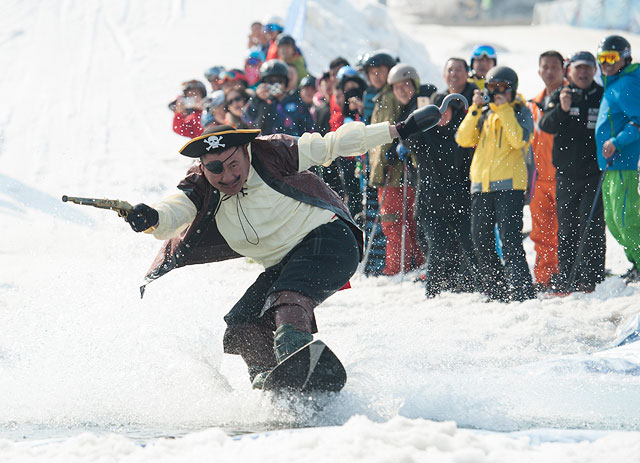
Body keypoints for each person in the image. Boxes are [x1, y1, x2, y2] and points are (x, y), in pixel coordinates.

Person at [123, 110, 440, 388]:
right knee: (243, 322)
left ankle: (297, 358)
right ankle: (270, 382)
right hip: (285, 263)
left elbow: (334, 143)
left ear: (245, 152)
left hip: (329, 241)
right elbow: (172, 213)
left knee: (286, 300)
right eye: (216, 169)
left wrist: (399, 129)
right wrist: (150, 217)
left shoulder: (272, 152)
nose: (228, 176)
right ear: (204, 167)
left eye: (234, 164)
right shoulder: (200, 186)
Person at [456, 66, 536, 302]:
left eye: (502, 87)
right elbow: (463, 138)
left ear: (512, 88)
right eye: (492, 87)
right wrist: (474, 109)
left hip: (510, 185)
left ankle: (522, 291)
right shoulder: (484, 113)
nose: (497, 92)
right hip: (482, 186)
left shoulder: (520, 110)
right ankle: (497, 289)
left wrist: (504, 109)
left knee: (510, 239)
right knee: (480, 239)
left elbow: (519, 139)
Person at [408, 91, 479, 297]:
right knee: (438, 246)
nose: (443, 117)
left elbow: (468, 166)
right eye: (438, 113)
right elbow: (409, 135)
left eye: (446, 111)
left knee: (471, 245)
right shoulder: (423, 136)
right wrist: (419, 115)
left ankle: (480, 288)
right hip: (431, 205)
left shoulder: (461, 135)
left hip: (461, 202)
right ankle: (433, 292)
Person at [595, 35, 640, 284]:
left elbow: (638, 121)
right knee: (614, 222)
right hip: (610, 166)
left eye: (612, 57)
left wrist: (617, 142)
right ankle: (636, 262)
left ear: (624, 57)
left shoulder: (628, 84)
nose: (606, 63)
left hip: (623, 164)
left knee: (626, 220)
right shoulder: (614, 83)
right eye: (602, 58)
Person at [527, 50, 566, 291]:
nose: (549, 71)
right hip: (538, 179)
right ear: (539, 70)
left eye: (554, 67)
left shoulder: (569, 101)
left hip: (564, 177)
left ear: (563, 70)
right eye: (545, 67)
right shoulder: (532, 104)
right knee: (541, 232)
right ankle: (544, 276)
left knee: (565, 231)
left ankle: (566, 272)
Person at [360, 50, 397, 275]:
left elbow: (385, 133)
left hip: (384, 165)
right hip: (372, 163)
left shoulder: (389, 96)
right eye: (371, 72)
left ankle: (385, 264)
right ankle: (374, 262)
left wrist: (381, 163)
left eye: (380, 71)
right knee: (373, 216)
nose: (375, 76)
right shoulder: (373, 96)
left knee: (387, 220)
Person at [243, 59, 314, 136]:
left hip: (293, 146)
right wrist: (257, 98)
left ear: (286, 82)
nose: (275, 84)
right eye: (270, 81)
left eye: (279, 80)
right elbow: (247, 119)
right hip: (266, 146)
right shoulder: (261, 103)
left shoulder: (297, 103)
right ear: (264, 83)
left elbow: (309, 129)